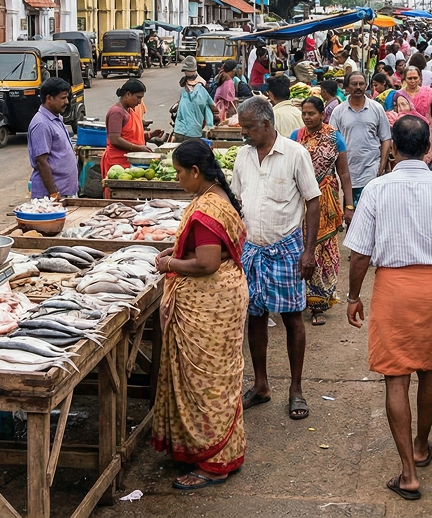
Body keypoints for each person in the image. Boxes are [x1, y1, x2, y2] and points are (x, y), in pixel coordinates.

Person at [345, 115, 432, 501]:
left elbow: (359, 256)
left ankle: (407, 473)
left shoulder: (377, 189)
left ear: (394, 149)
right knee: (430, 367)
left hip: (393, 288)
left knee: (395, 377)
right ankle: (421, 445)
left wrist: (353, 297)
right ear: (429, 147)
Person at [151, 140, 249, 490]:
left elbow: (206, 263)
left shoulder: (207, 209)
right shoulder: (218, 196)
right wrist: (177, 250)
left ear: (195, 171)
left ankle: (212, 464)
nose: (177, 179)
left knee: (205, 382)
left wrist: (169, 263)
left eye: (179, 172)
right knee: (219, 379)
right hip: (223, 298)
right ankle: (214, 450)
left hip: (209, 304)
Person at [231, 98, 321, 420]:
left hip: (286, 247)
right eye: (242, 127)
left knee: (293, 317)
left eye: (248, 128)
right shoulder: (243, 157)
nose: (244, 134)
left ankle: (295, 389)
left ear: (267, 125)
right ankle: (261, 384)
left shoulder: (296, 154)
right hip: (252, 248)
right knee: (254, 317)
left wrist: (308, 251)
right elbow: (237, 201)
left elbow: (313, 202)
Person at [291, 97, 354, 324]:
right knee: (301, 249)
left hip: (326, 203)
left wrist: (348, 205)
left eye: (312, 113)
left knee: (324, 252)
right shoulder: (295, 138)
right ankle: (299, 300)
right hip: (301, 203)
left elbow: (344, 174)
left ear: (322, 114)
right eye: (304, 113)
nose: (308, 117)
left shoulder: (334, 137)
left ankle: (319, 305)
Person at [329, 71, 391, 206]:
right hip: (348, 173)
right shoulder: (338, 112)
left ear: (366, 86)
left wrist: (382, 165)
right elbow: (332, 141)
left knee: (372, 210)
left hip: (371, 170)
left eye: (361, 84)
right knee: (351, 214)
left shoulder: (376, 108)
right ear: (346, 87)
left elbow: (386, 138)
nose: (358, 87)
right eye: (354, 84)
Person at [27, 78, 78, 200]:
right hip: (52, 197)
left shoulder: (56, 117)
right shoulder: (41, 124)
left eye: (67, 98)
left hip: (66, 191)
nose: (67, 102)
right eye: (63, 98)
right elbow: (41, 161)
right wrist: (53, 193)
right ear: (49, 98)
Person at [103, 79, 154, 173]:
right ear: (128, 94)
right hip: (119, 164)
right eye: (138, 97)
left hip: (132, 162)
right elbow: (115, 139)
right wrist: (138, 148)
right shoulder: (116, 112)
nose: (139, 102)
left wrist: (151, 135)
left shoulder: (129, 111)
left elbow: (131, 137)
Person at [172, 58, 220, 141]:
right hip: (193, 132)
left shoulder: (183, 92)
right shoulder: (202, 91)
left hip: (179, 130)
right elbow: (214, 108)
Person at [399, 66, 432, 155]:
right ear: (405, 79)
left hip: (426, 132)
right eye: (409, 78)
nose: (413, 81)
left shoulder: (430, 93)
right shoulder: (399, 94)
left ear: (420, 78)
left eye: (415, 78)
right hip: (406, 132)